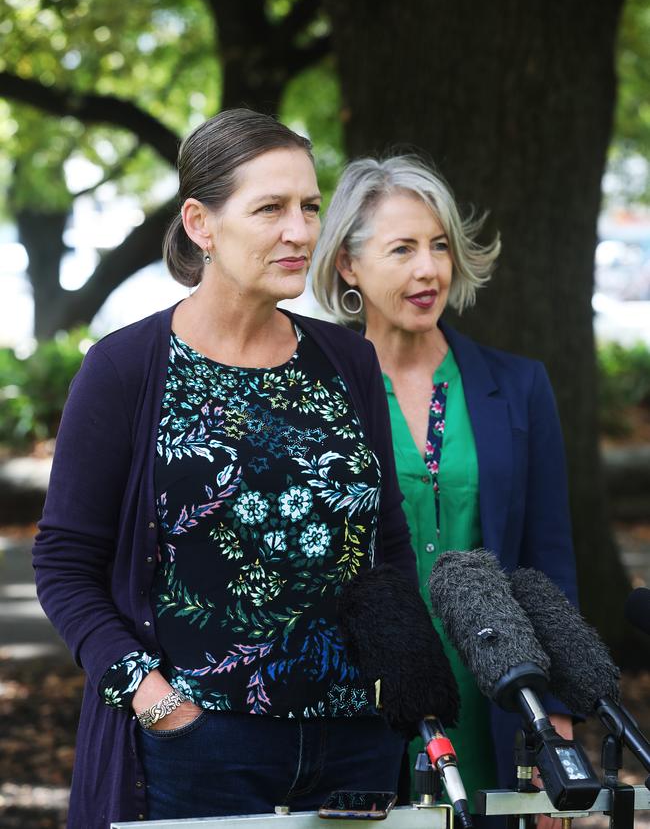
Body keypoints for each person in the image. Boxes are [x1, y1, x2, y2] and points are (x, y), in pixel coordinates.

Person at [33, 111, 416, 829]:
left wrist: (401, 684)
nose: (299, 230)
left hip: (358, 749)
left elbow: (386, 542)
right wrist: (155, 700)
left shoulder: (348, 361)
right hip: (201, 747)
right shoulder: (124, 368)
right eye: (269, 208)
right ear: (200, 224)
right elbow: (62, 560)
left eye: (308, 206)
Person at [311, 155, 578, 819]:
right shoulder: (315, 391)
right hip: (359, 707)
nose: (429, 269)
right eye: (402, 249)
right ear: (349, 264)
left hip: (494, 698)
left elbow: (551, 563)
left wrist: (559, 721)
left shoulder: (519, 387)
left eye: (438, 245)